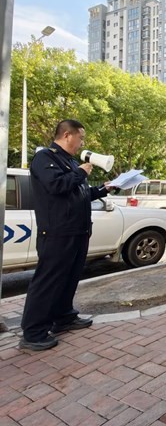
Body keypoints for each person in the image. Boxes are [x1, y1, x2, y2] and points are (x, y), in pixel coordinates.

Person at [19, 119, 112, 351]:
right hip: (58, 232)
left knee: (69, 277)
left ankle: (64, 317)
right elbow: (56, 185)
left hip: (77, 231)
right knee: (48, 281)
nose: (82, 143)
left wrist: (104, 189)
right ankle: (33, 333)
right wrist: (80, 172)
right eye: (81, 138)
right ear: (67, 135)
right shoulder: (45, 157)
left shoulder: (69, 161)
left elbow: (79, 193)